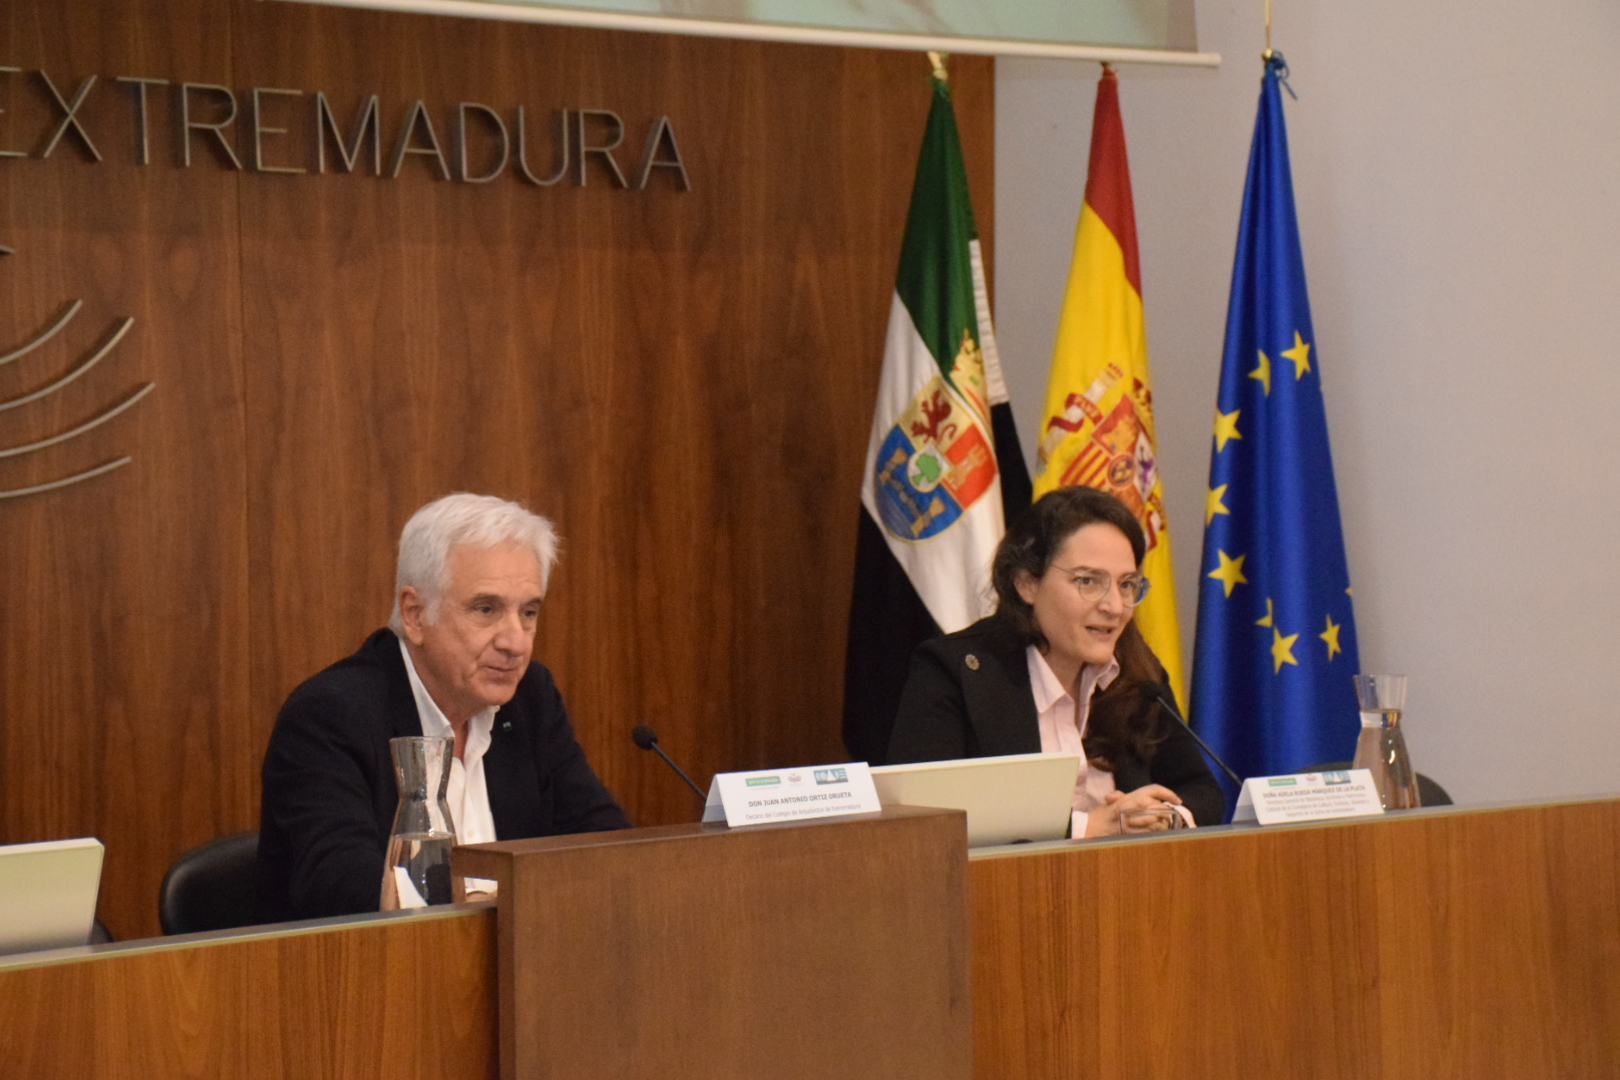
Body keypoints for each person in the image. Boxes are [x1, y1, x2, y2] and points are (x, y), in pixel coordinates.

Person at [257, 494, 629, 921]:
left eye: (528, 612)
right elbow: (341, 887)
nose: (516, 642)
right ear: (414, 614)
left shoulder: (529, 700)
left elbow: (604, 842)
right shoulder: (331, 715)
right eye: (486, 610)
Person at [887, 486, 1223, 836]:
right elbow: (925, 819)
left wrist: (1163, 816)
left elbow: (1202, 791)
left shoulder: (1138, 675)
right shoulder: (955, 672)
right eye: (1088, 581)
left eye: (1126, 584)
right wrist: (1085, 828)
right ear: (1027, 584)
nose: (1114, 606)